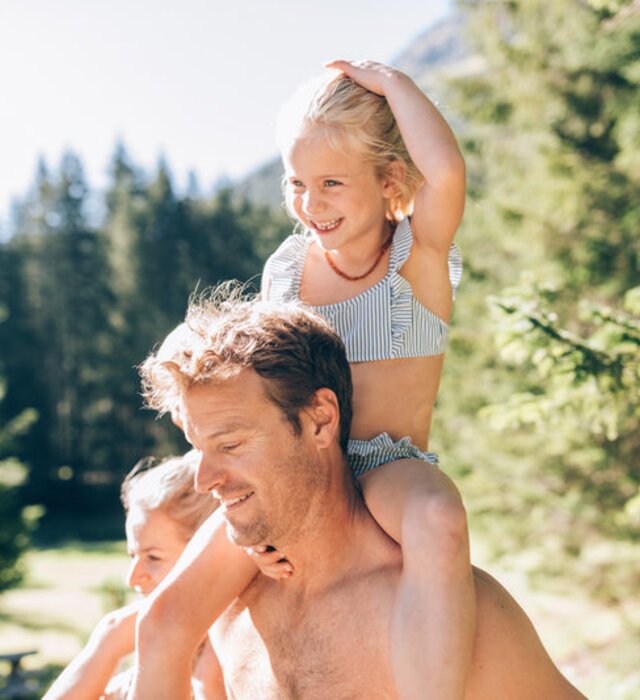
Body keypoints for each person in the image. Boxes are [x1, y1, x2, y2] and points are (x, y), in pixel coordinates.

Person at [131, 60, 474, 700]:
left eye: (333, 182)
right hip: (297, 470)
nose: (310, 205)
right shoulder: (286, 271)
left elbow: (448, 172)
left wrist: (393, 84)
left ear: (390, 179)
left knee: (437, 516)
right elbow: (241, 375)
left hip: (384, 465)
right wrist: (255, 521)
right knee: (164, 620)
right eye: (296, 184)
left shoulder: (417, 254)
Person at [138, 293, 586, 699]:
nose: (204, 479)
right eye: (198, 448)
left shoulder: (447, 614)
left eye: (231, 445)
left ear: (319, 420)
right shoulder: (233, 609)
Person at [43, 452, 225, 700]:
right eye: (132, 555)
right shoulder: (136, 669)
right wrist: (107, 640)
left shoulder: (238, 660)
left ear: (208, 557)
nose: (133, 578)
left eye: (153, 558)